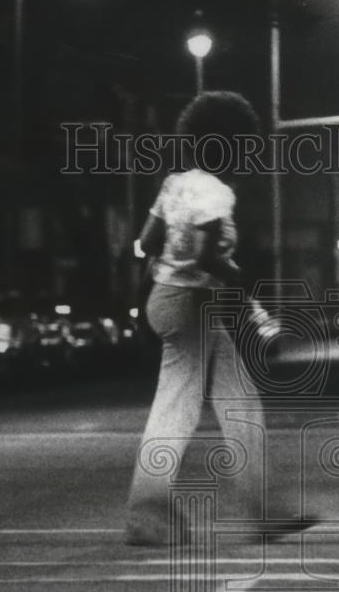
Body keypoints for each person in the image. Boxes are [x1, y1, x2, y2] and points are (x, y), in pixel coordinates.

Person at [124, 91, 315, 546]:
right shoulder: (216, 191)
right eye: (245, 146)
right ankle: (147, 513)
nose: (249, 156)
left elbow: (146, 243)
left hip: (171, 298)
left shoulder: (175, 183)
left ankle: (263, 509)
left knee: (239, 403)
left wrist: (162, 270)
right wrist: (246, 287)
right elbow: (211, 259)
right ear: (230, 144)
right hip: (190, 303)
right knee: (176, 410)